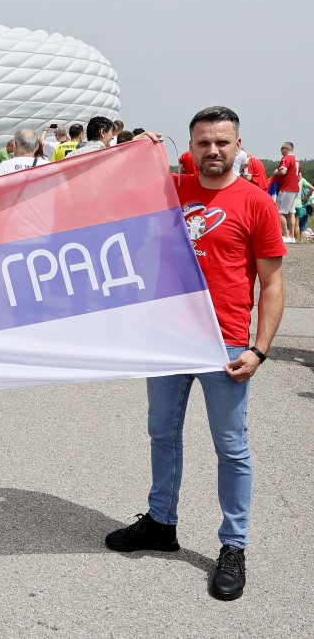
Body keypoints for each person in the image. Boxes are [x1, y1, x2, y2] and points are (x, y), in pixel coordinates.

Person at [104, 106, 286, 602]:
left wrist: (259, 350)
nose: (213, 151)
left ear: (237, 144)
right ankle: (161, 523)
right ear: (191, 145)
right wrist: (129, 146)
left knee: (232, 448)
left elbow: (272, 284)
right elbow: (107, 190)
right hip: (167, 340)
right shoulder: (170, 190)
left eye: (222, 143)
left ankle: (233, 545)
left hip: (224, 345)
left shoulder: (256, 203)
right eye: (203, 142)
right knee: (162, 433)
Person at [273, 141, 300, 242]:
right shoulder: (297, 159)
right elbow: (299, 176)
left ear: (286, 149)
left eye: (282, 148)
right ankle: (292, 236)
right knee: (291, 213)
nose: (281, 151)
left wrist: (276, 172)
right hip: (295, 189)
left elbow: (283, 171)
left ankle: (286, 235)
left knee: (279, 212)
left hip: (286, 188)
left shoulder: (286, 158)